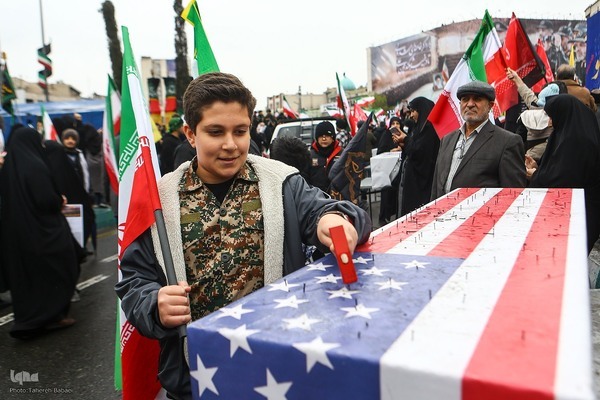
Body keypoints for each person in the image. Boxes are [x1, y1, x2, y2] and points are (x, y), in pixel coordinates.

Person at [115, 72, 371, 399]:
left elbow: (333, 212)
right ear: (190, 134)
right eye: (215, 132)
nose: (230, 145)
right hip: (196, 380)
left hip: (277, 369)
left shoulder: (282, 182)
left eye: (240, 131)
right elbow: (134, 280)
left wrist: (334, 219)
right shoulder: (158, 200)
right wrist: (155, 304)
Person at [0, 127, 79, 339]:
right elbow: (46, 200)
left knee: (27, 278)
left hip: (16, 234)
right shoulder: (35, 166)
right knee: (60, 267)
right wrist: (59, 200)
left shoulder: (8, 168)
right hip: (42, 232)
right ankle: (51, 316)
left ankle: (28, 319)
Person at [526, 94, 600, 253]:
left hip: (579, 216)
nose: (549, 122)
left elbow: (564, 180)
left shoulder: (578, 141)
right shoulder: (566, 133)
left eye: (552, 116)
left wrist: (535, 175)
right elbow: (558, 168)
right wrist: (539, 168)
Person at [431, 80, 526, 199]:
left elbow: (513, 195)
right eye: (465, 99)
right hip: (444, 210)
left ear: (490, 105)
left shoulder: (507, 142)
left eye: (477, 99)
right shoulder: (447, 140)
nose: (470, 104)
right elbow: (436, 187)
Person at [399, 97, 440, 216]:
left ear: (422, 110)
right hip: (414, 182)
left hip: (422, 184)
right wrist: (404, 144)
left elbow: (418, 152)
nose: (411, 115)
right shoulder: (419, 128)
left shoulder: (429, 129)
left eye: (413, 111)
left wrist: (406, 139)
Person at [308, 120, 342, 193]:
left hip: (337, 196)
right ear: (316, 138)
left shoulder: (342, 154)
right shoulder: (309, 155)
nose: (324, 139)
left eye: (327, 136)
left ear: (333, 138)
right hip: (316, 196)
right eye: (321, 136)